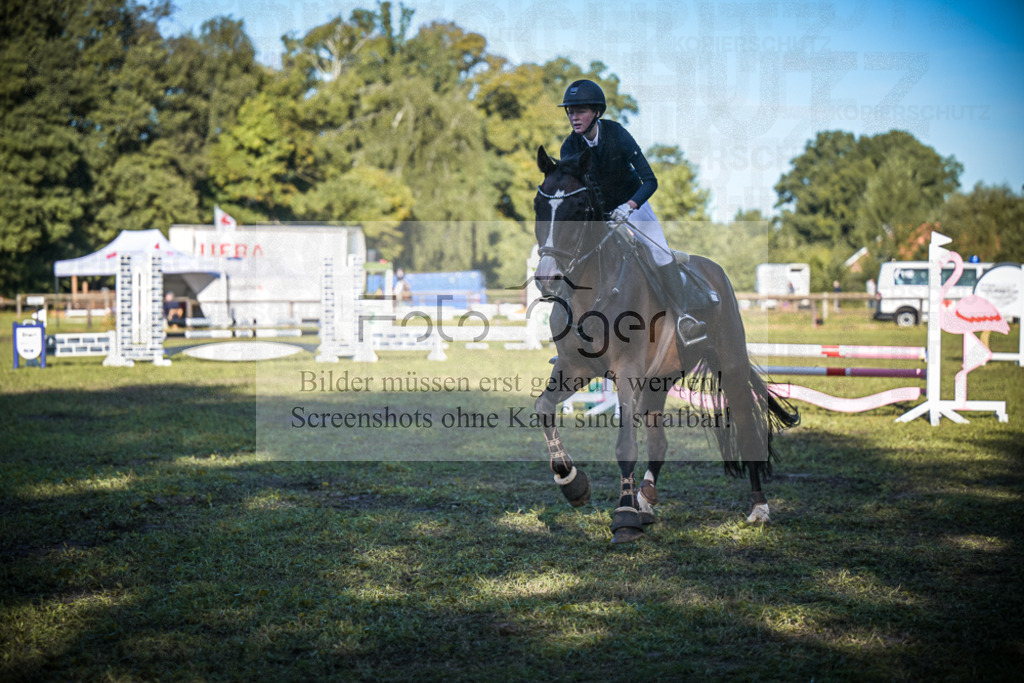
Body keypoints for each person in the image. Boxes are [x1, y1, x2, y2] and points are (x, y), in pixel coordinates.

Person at [557, 79, 709, 346]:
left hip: (632, 206)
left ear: (597, 113)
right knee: (570, 254)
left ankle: (684, 318)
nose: (573, 116)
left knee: (660, 252)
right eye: (570, 111)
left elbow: (650, 180)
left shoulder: (617, 135)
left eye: (580, 110)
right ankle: (570, 339)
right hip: (598, 216)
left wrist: (628, 207)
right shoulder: (569, 147)